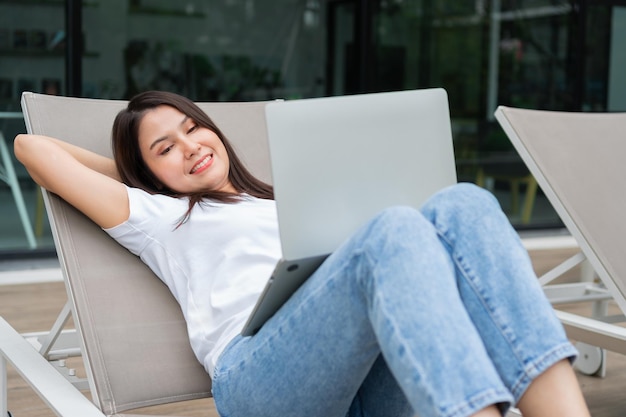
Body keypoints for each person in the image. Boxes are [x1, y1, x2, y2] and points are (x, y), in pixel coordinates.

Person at [14, 90, 591, 417]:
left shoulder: (284, 195)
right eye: (166, 147)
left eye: (195, 131)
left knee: (463, 202)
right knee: (389, 230)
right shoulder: (158, 217)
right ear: (146, 171)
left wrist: (167, 158)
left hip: (366, 375)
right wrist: (144, 180)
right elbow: (32, 148)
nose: (191, 147)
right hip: (260, 379)